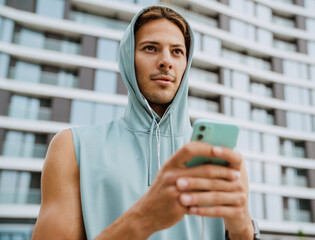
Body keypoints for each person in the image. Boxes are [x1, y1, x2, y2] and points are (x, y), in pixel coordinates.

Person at [32, 5, 256, 240]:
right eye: (151, 48)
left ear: (186, 65)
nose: (166, 61)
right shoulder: (73, 148)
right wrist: (143, 219)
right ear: (129, 59)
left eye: (177, 52)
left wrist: (243, 231)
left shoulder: (224, 160)